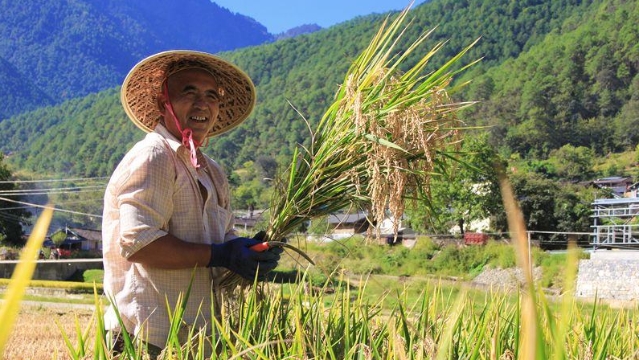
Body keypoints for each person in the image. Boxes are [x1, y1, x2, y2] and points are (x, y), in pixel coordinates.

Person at [102, 50, 283, 357]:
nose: (203, 103)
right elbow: (139, 244)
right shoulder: (154, 156)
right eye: (190, 92)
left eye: (212, 95)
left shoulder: (211, 171)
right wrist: (221, 254)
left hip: (195, 339)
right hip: (146, 337)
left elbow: (222, 238)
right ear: (164, 104)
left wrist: (247, 250)